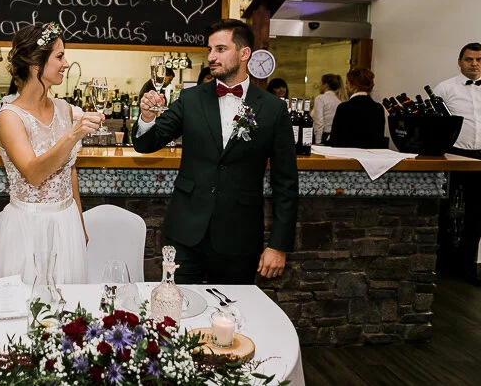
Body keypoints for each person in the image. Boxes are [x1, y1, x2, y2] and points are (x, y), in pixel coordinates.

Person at [132, 19, 298, 284]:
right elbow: (146, 143)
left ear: (244, 53)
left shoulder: (273, 109)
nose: (211, 57)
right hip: (185, 233)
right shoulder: (190, 99)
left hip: (239, 237)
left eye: (220, 49)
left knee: (234, 307)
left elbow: (286, 182)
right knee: (176, 303)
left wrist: (279, 245)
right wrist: (147, 117)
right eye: (210, 49)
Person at [0, 22, 104, 284]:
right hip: (27, 227)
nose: (66, 63)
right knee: (27, 303)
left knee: (70, 302)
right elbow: (33, 173)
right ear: (36, 64)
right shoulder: (9, 117)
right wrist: (74, 134)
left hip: (67, 223)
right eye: (59, 56)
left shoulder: (65, 109)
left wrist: (79, 224)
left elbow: (69, 171)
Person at [434, 42, 481, 279]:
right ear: (459, 62)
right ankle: (442, 263)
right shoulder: (445, 88)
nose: (474, 64)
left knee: (477, 212)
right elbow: (435, 123)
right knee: (445, 207)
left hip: (480, 156)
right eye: (469, 59)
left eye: (479, 60)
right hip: (453, 154)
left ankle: (467, 265)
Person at [328, 68, 386, 149]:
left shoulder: (344, 108)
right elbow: (378, 140)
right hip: (370, 156)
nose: (346, 87)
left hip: (346, 155)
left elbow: (335, 140)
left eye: (347, 83)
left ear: (354, 86)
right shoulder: (378, 108)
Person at [312, 74, 343, 144]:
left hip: (323, 136)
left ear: (326, 85)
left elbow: (319, 123)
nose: (319, 85)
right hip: (334, 137)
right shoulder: (339, 101)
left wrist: (317, 142)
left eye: (320, 83)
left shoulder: (320, 99)